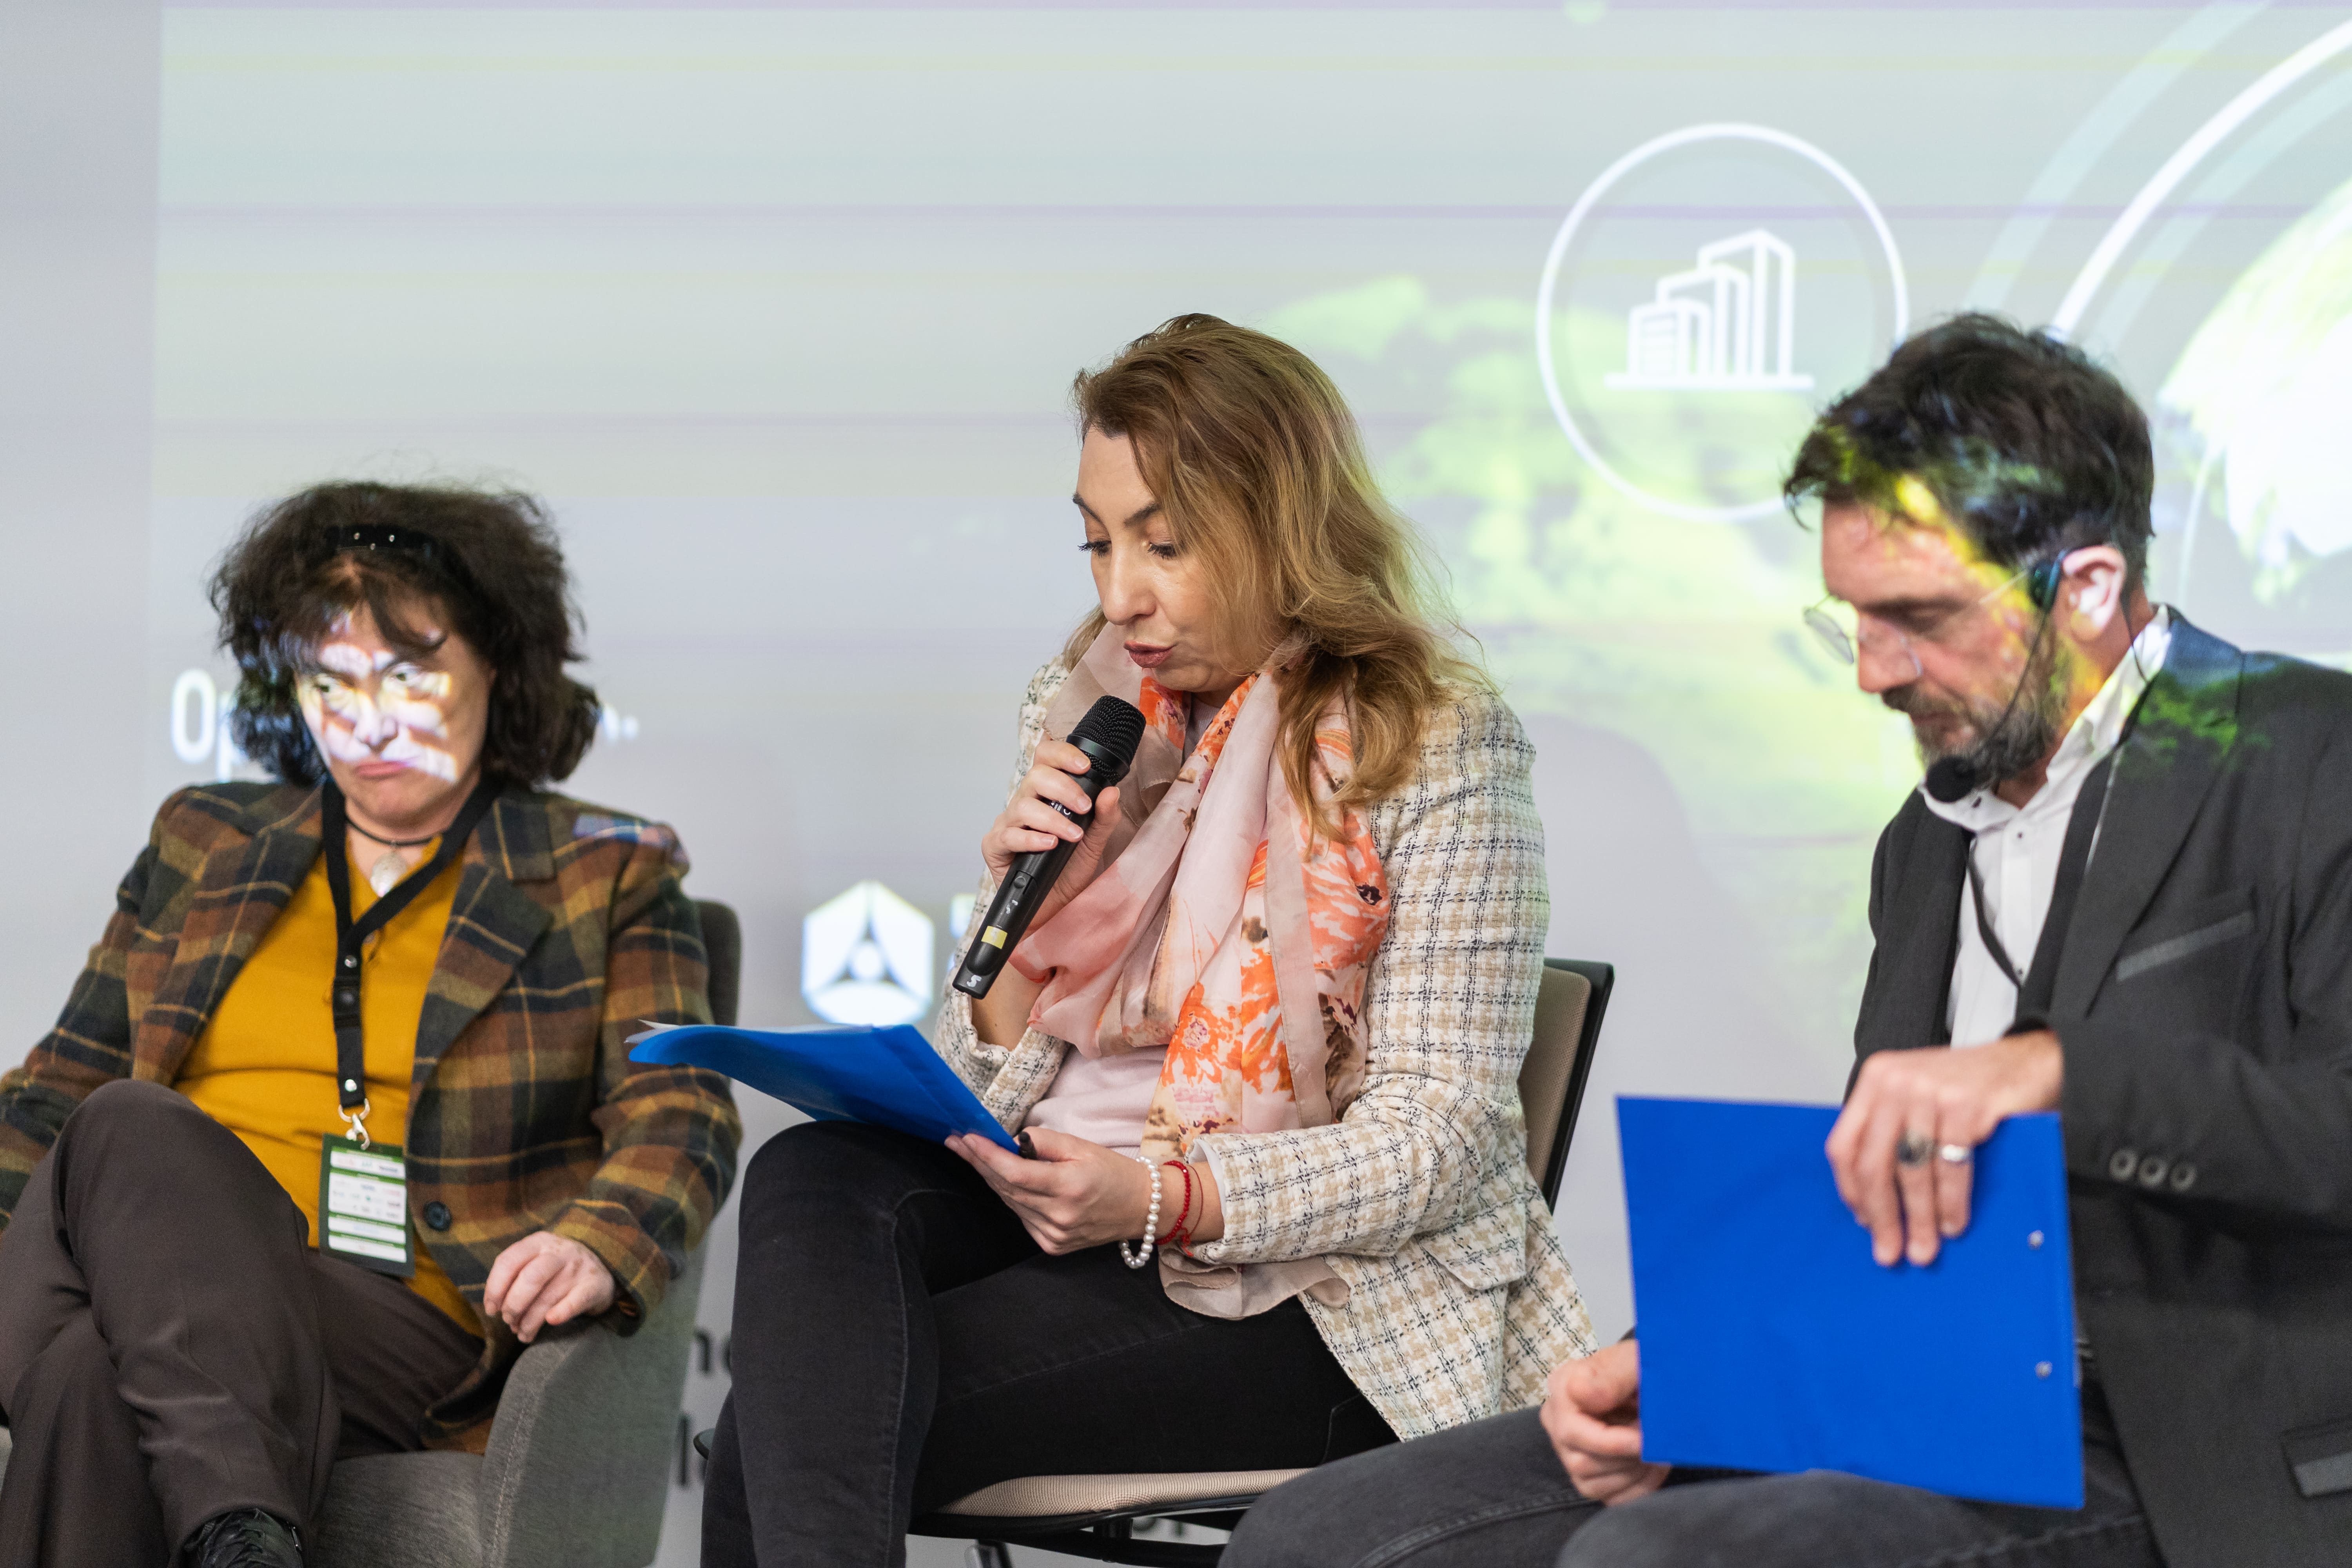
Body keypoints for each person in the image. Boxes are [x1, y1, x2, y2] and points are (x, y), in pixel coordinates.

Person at [1222, 313, 2352, 1568]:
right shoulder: (1922, 842)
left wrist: (2054, 1074)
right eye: (1852, 619)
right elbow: (1888, 1202)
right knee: (1314, 1536)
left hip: (2195, 1439)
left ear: (2085, 588)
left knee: (1659, 1562)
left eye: (1916, 618)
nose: (1872, 672)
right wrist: (1692, 1368)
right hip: (1927, 1387)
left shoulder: (2316, 756)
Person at [701, 314, 1595, 1566]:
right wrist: (1027, 923)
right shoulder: (1091, 712)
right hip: (1056, 1196)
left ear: (1281, 528)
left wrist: (1166, 1196)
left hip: (1305, 1287)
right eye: (1098, 541)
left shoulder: (1436, 742)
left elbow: (1437, 1146)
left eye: (1164, 545)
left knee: (780, 1436)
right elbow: (986, 1071)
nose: (1120, 595)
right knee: (812, 1173)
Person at [0, 482, 741, 1568]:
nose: (371, 721)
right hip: (130, 1260)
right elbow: (55, 1093)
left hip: (392, 1311)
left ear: (498, 665)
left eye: (409, 674)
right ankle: (240, 1536)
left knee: (87, 1363)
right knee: (119, 1129)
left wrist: (603, 1239)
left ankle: (236, 1523)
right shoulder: (206, 840)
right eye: (330, 680)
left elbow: (681, 1109)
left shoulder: (603, 871)